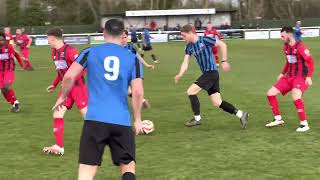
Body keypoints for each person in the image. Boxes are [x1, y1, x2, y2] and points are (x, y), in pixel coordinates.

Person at [52, 19, 144, 180]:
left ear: (103, 34)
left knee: (87, 172)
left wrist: (64, 96)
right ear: (123, 34)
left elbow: (69, 76)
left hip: (94, 120)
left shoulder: (90, 52)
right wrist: (137, 119)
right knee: (128, 167)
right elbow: (137, 91)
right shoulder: (132, 58)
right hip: (121, 121)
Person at [174, 24, 249, 128]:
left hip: (211, 73)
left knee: (191, 91)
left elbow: (222, 45)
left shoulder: (205, 40)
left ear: (190, 33)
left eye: (184, 36)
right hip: (208, 74)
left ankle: (197, 119)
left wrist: (224, 61)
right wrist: (180, 74)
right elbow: (185, 62)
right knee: (217, 102)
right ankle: (241, 114)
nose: (183, 38)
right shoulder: (189, 46)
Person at [43, 28, 88, 155]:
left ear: (52, 38)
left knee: (88, 117)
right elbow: (61, 70)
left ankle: (104, 139)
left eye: (48, 39)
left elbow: (83, 68)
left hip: (78, 88)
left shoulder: (71, 51)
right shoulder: (54, 53)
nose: (48, 42)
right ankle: (59, 146)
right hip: (65, 90)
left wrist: (71, 80)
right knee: (57, 113)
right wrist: (54, 84)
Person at [266, 26, 314, 132]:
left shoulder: (300, 47)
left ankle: (304, 124)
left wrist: (309, 76)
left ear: (290, 35)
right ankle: (278, 119)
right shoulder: (286, 47)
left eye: (283, 36)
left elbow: (311, 62)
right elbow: (289, 62)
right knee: (270, 93)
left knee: (296, 96)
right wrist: (282, 73)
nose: (281, 38)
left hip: (300, 77)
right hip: (289, 77)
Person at [123, 30, 153, 108]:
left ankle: (141, 101)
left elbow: (138, 57)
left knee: (135, 90)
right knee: (128, 91)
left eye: (125, 37)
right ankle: (143, 101)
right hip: (122, 71)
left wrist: (147, 65)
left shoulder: (130, 47)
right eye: (121, 37)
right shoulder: (116, 48)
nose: (123, 39)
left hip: (133, 70)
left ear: (127, 37)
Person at [0, 32, 24, 112]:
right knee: (3, 89)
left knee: (6, 86)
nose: (1, 42)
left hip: (8, 70)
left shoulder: (8, 47)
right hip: (0, 71)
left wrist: (21, 64)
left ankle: (16, 103)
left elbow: (16, 55)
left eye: (2, 40)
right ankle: (14, 104)